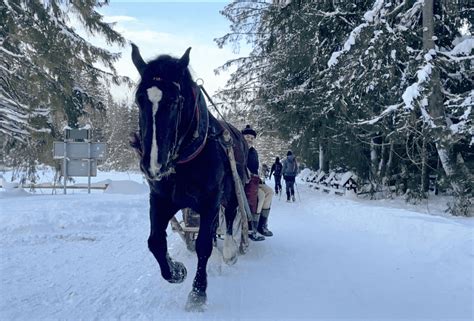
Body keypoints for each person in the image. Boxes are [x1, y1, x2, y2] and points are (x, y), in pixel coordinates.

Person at [241, 125, 274, 241]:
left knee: (269, 192)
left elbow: (255, 167)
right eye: (247, 136)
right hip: (244, 181)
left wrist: (259, 178)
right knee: (260, 195)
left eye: (251, 138)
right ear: (242, 137)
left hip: (255, 180)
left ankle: (262, 225)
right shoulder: (240, 149)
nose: (249, 139)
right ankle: (252, 227)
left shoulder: (253, 151)